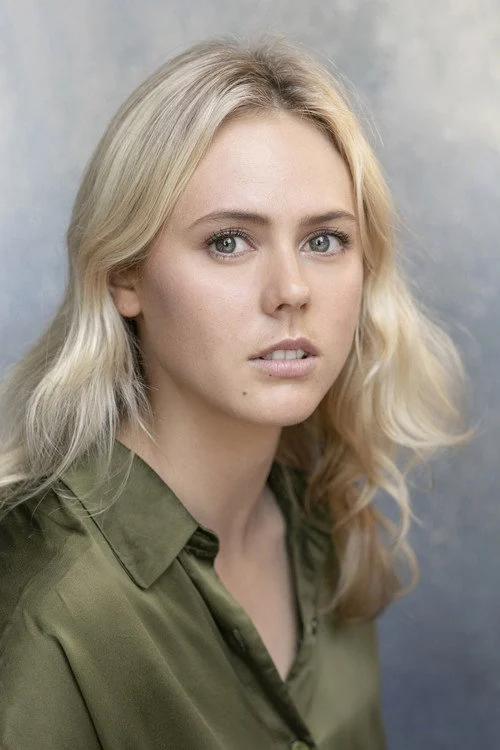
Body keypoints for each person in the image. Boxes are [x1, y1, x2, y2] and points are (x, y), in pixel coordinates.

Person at [0, 36, 468, 749]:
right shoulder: (47, 604)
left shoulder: (328, 533)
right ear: (124, 276)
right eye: (229, 242)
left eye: (324, 240)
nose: (291, 291)